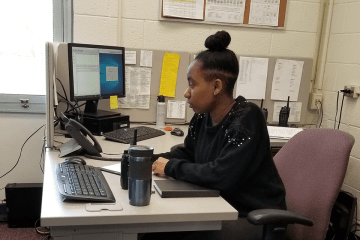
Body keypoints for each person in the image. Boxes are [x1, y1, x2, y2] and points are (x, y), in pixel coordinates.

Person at [144, 30, 286, 240]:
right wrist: (148, 160)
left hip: (252, 219)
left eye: (192, 84)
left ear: (217, 86)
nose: (186, 93)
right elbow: (187, 153)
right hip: (219, 206)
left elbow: (221, 176)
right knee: (152, 234)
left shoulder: (247, 118)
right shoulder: (202, 117)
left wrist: (171, 167)